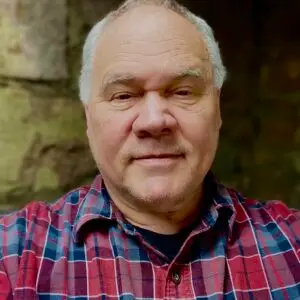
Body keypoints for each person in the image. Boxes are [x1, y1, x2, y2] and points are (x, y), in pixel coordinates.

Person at [0, 0, 299, 299]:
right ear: (88, 118)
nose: (155, 121)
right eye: (123, 95)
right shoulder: (13, 258)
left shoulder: (292, 248)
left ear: (218, 109)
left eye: (183, 91)